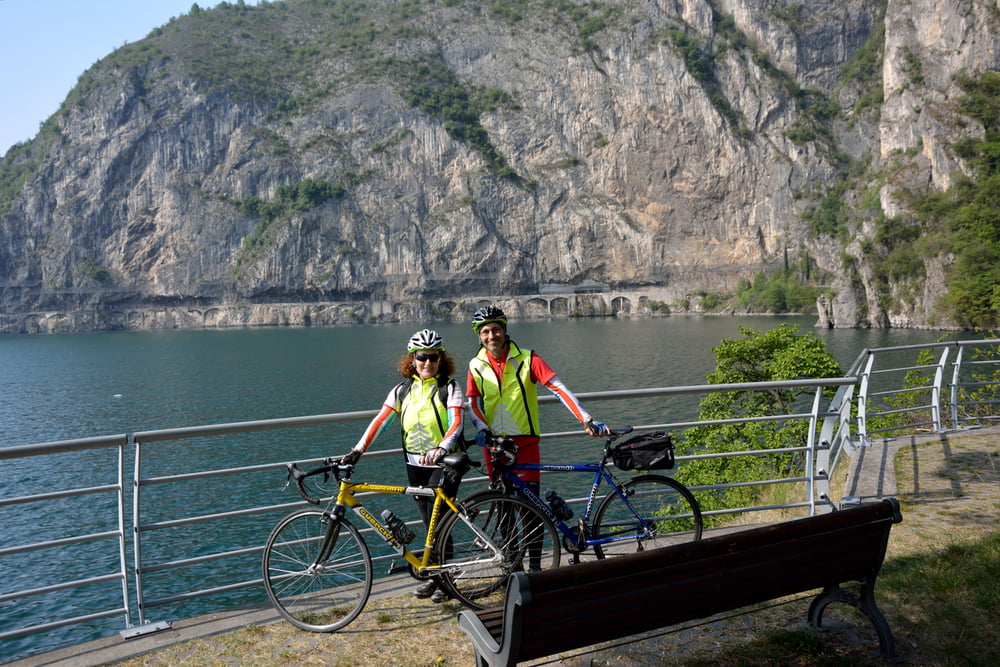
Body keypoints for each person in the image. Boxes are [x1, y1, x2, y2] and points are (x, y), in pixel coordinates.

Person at [340, 329, 464, 603]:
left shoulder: (450, 388)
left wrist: (442, 447)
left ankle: (447, 581)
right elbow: (380, 421)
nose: (427, 363)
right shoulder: (402, 390)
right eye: (422, 358)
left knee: (440, 522)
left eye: (433, 357)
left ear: (441, 359)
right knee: (427, 522)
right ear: (412, 359)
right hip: (415, 464)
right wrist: (357, 450)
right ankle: (436, 575)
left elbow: (456, 422)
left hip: (444, 464)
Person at [466, 305, 609, 496]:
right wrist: (483, 430)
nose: (491, 336)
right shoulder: (475, 365)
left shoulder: (528, 358)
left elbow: (558, 389)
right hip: (495, 446)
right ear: (479, 335)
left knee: (531, 510)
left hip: (525, 444)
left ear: (504, 330)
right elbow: (473, 405)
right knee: (502, 509)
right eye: (485, 331)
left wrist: (586, 420)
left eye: (496, 329)